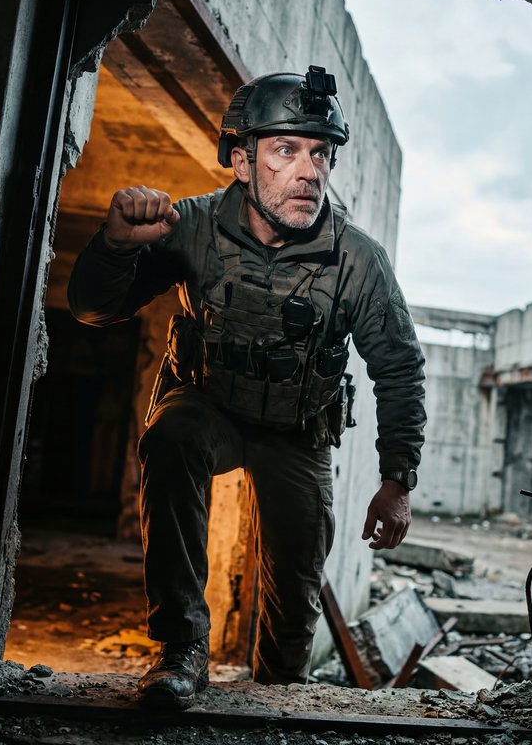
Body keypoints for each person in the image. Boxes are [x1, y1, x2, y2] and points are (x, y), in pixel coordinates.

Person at [68, 65, 426, 709]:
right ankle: (181, 650)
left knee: (295, 583)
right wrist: (114, 247)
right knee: (170, 436)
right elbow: (94, 310)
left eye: (321, 153)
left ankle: (278, 690)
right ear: (241, 160)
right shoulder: (193, 226)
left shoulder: (358, 260)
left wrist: (397, 479)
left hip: (297, 432)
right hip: (210, 408)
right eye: (286, 150)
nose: (309, 171)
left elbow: (398, 366)